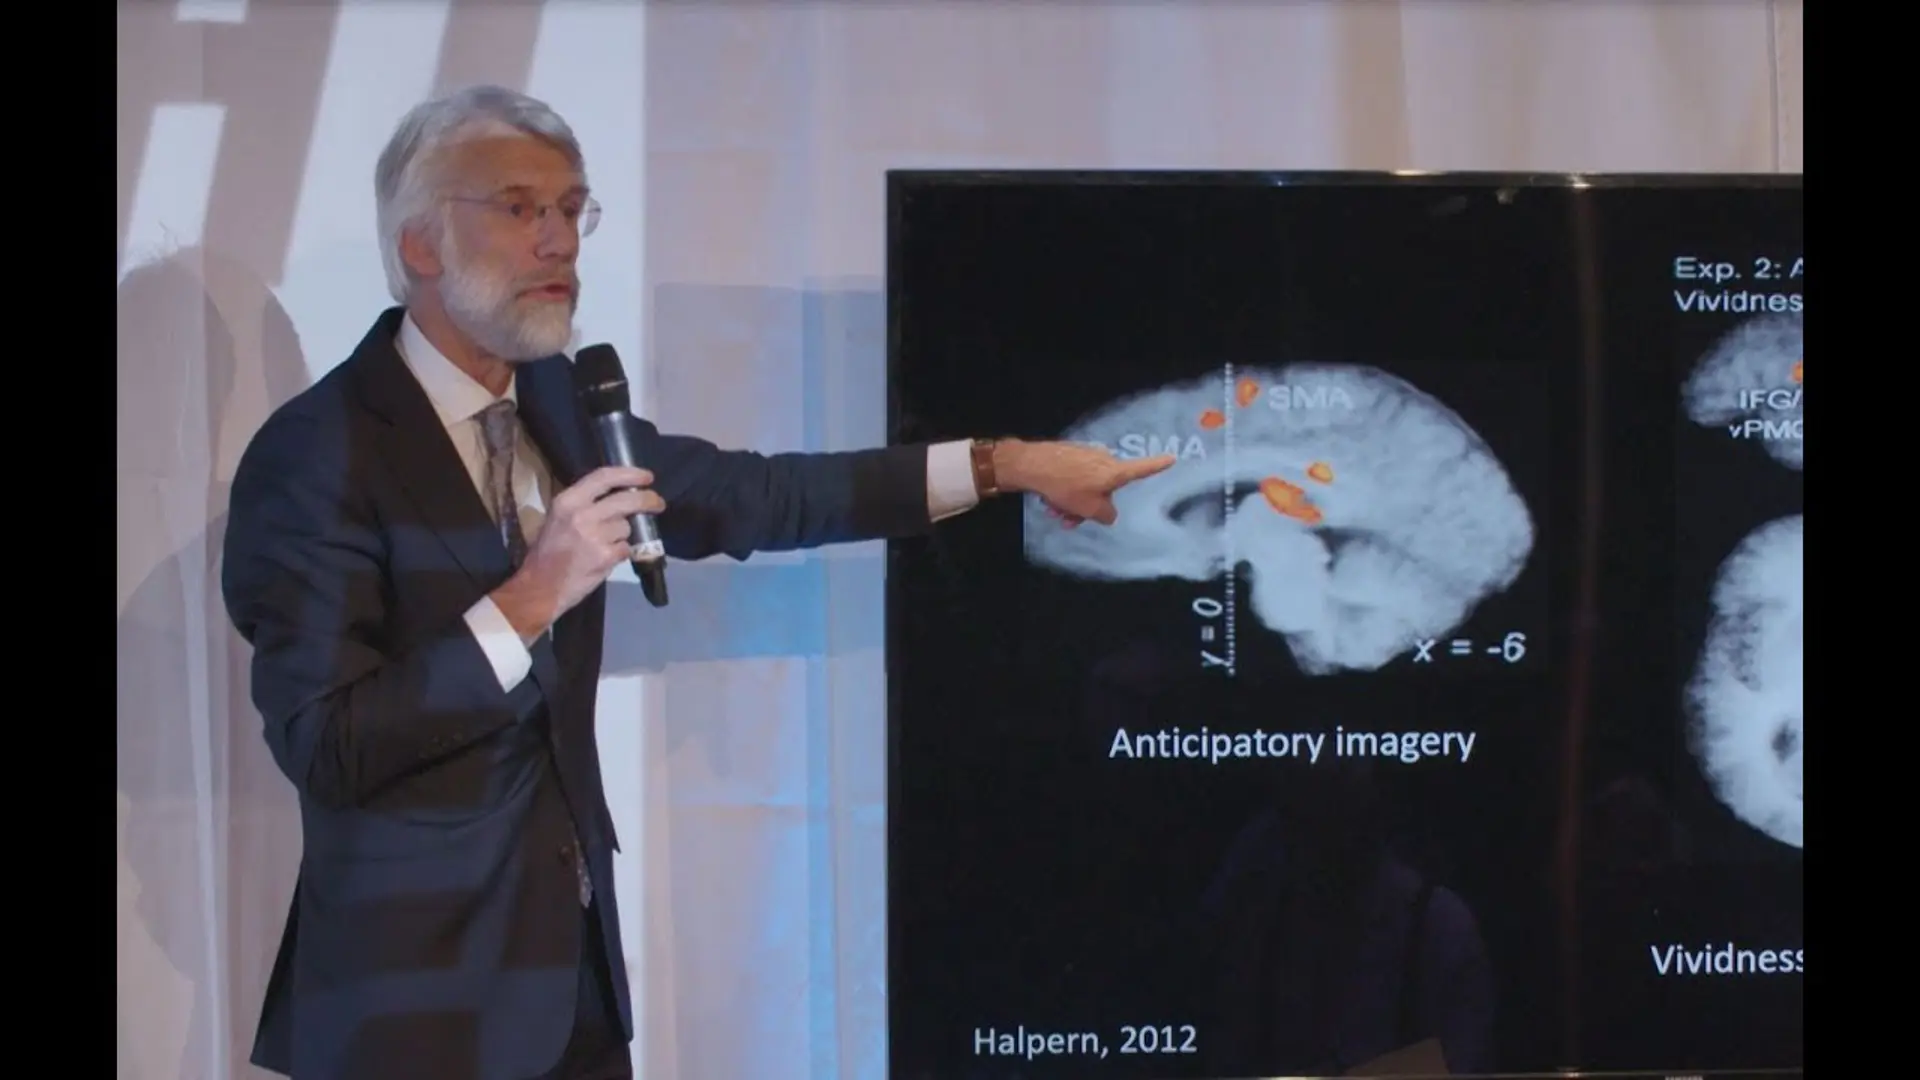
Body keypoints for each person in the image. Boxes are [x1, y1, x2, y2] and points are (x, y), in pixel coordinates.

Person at [220, 84, 1173, 1080]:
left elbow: (760, 496)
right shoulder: (317, 455)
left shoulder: (560, 403)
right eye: (519, 208)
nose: (558, 242)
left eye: (571, 209)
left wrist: (1005, 465)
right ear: (421, 243)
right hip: (411, 1015)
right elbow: (327, 745)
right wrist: (533, 595)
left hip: (572, 999)